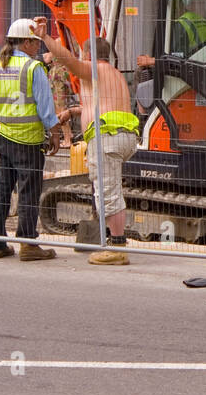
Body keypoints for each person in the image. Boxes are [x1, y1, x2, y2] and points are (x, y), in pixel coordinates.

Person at [36, 18, 138, 266]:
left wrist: (45, 38)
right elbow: (103, 105)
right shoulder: (113, 74)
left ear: (88, 54)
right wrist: (73, 112)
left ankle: (117, 247)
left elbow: (67, 61)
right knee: (110, 189)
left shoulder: (93, 69)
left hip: (107, 138)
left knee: (108, 192)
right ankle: (112, 240)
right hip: (123, 136)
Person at [0, 18, 61, 261]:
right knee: (28, 192)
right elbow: (46, 108)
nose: (38, 47)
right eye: (35, 42)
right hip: (28, 141)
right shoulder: (33, 68)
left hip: (3, 139)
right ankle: (28, 244)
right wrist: (55, 132)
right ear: (26, 42)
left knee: (3, 190)